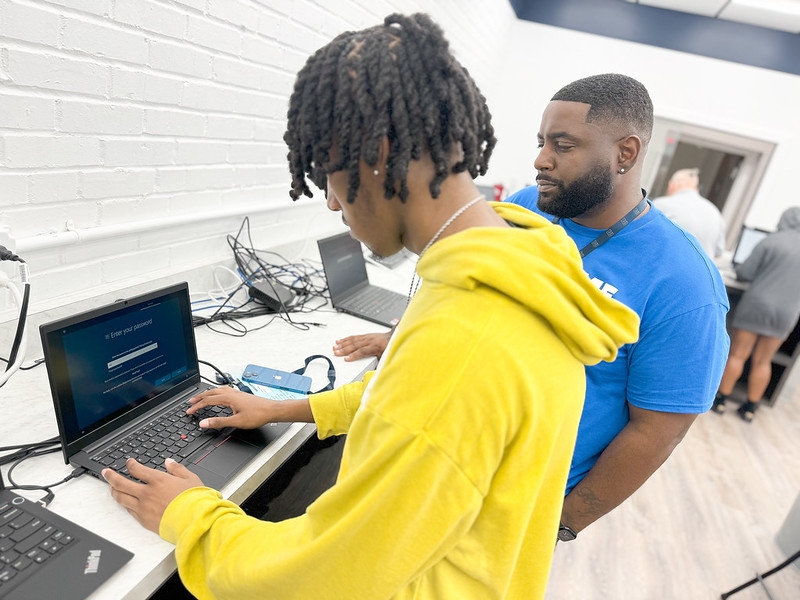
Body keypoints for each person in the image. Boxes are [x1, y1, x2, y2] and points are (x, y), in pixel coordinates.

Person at [102, 15, 639, 600]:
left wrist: (189, 513)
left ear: (379, 153)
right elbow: (408, 402)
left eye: (327, 175)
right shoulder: (515, 262)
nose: (332, 203)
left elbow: (327, 576)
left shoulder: (466, 337)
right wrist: (283, 407)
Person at [335, 73, 731, 541]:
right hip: (434, 460)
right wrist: (402, 339)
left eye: (563, 146)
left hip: (512, 511)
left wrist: (561, 522)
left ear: (625, 153)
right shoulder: (526, 209)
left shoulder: (686, 283)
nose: (541, 159)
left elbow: (658, 430)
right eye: (542, 142)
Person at [712, 207, 800, 421]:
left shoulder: (771, 241)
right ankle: (750, 408)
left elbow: (745, 273)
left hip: (758, 306)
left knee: (738, 354)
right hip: (787, 313)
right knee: (764, 361)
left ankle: (721, 401)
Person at [651, 167, 726, 258]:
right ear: (696, 188)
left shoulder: (661, 204)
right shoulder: (715, 212)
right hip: (700, 272)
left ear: (672, 185)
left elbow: (646, 238)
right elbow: (718, 252)